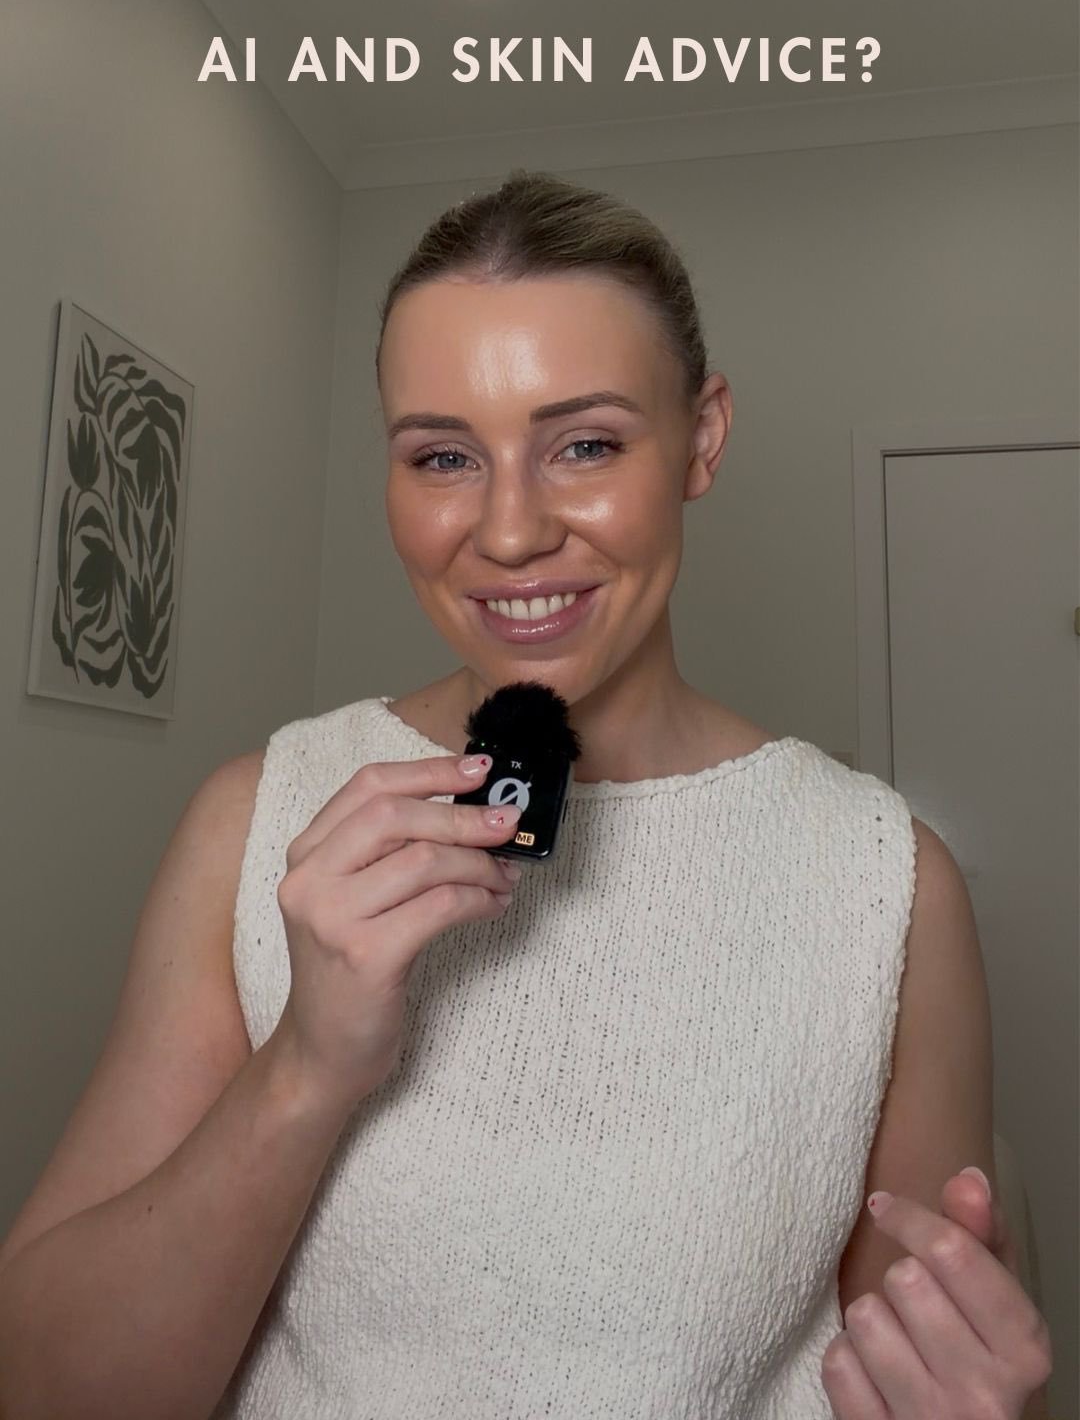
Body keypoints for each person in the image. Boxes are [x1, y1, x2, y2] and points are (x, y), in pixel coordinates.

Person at [0, 170, 1052, 1419]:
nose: (508, 532)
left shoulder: (886, 883)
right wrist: (306, 1067)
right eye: (443, 456)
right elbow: (46, 1389)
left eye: (586, 445)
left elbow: (908, 1368)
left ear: (703, 437)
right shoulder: (258, 816)